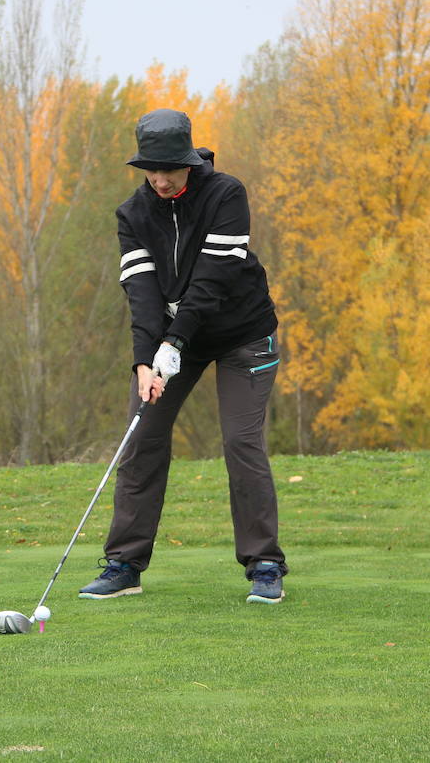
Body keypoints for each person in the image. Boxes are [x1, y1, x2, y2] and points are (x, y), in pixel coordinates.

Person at [78, 108, 288, 604]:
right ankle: (124, 563)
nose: (161, 179)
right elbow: (144, 295)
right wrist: (144, 363)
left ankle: (264, 563)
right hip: (175, 342)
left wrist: (174, 343)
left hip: (243, 335)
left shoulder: (226, 195)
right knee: (143, 437)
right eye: (151, 170)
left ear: (189, 162)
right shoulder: (133, 215)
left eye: (169, 168)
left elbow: (213, 281)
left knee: (241, 442)